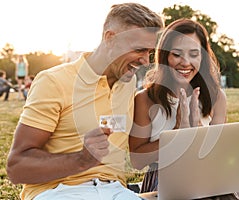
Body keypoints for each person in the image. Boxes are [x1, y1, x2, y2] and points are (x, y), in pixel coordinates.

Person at [6, 3, 163, 200]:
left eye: (149, 51)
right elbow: (16, 168)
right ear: (110, 38)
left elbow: (138, 150)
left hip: (116, 191)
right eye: (139, 50)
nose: (145, 61)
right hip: (60, 192)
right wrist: (81, 160)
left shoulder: (128, 83)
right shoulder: (54, 81)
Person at [129, 19, 239, 199]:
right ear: (165, 56)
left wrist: (197, 132)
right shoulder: (145, 99)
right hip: (163, 176)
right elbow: (137, 160)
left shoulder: (216, 97)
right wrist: (178, 133)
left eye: (194, 54)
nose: (185, 62)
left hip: (206, 175)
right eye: (177, 54)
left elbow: (218, 156)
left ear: (202, 57)